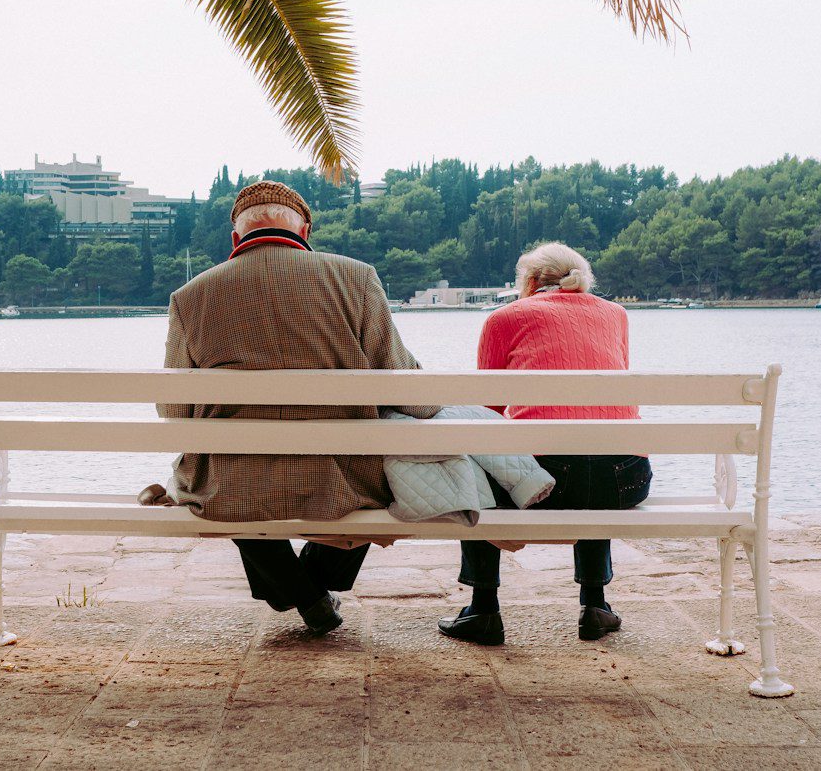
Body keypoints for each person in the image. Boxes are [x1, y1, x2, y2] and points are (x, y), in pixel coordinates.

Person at [159, 180, 437, 634]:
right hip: (342, 477)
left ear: (236, 238)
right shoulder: (356, 277)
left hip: (232, 483)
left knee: (228, 482)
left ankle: (295, 591)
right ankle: (311, 586)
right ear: (305, 230)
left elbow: (173, 410)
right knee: (376, 465)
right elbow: (403, 383)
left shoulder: (191, 296)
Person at [437, 242, 652, 647]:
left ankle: (484, 608)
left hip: (546, 486)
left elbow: (489, 410)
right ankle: (595, 604)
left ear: (531, 281)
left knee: (478, 456)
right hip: (625, 481)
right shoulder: (617, 315)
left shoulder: (506, 317)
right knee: (597, 443)